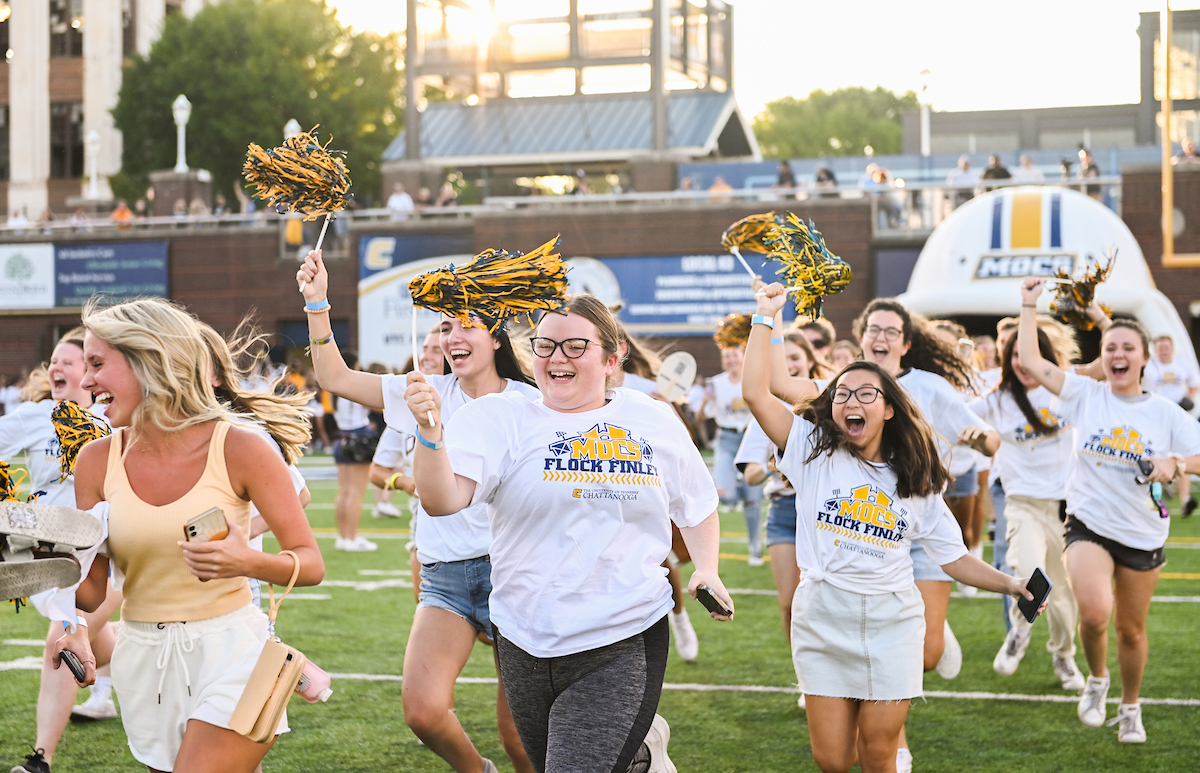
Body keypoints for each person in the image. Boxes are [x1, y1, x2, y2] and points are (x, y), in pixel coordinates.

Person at [403, 291, 733, 773]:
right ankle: (640, 758)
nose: (558, 357)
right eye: (546, 345)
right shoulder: (501, 417)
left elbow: (696, 503)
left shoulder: (652, 418)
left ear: (612, 358)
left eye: (576, 346)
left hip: (623, 633)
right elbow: (441, 500)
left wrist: (707, 569)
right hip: (523, 636)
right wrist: (429, 431)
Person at [743, 282, 1034, 773]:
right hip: (824, 620)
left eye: (865, 393)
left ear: (889, 408)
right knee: (833, 761)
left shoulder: (915, 479)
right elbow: (756, 391)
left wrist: (1011, 584)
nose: (850, 400)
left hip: (893, 624)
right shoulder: (811, 451)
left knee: (879, 753)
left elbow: (953, 556)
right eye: (842, 394)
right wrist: (765, 315)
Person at [297, 248, 536, 773]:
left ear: (497, 338)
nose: (453, 337)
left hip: (514, 574)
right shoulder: (422, 392)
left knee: (520, 739)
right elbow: (334, 377)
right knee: (423, 712)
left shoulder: (529, 403)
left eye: (467, 325)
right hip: (445, 576)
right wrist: (317, 302)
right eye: (446, 327)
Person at [71, 296, 325, 773]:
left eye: (98, 364)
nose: (86, 382)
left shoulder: (241, 446)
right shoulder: (94, 461)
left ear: (150, 360)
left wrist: (247, 562)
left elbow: (310, 563)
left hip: (233, 650)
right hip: (142, 660)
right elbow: (89, 592)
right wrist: (37, 564)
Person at [1017, 277, 1200, 743]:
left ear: (1144, 359)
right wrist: (1028, 304)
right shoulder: (1085, 393)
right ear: (1103, 357)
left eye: (1128, 348)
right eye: (1110, 347)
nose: (1118, 354)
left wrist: (1175, 464)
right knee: (1096, 615)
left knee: (1131, 631)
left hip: (1142, 533)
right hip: (1088, 524)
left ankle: (1130, 707)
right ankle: (1097, 680)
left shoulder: (1165, 412)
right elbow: (1033, 363)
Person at [5, 329, 121, 773]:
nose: (56, 367)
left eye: (68, 361)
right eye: (53, 360)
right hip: (50, 558)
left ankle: (41, 760)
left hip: (108, 559)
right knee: (110, 648)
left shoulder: (115, 417)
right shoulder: (36, 416)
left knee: (64, 634)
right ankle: (136, 671)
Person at [969, 323, 1086, 690]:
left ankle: (1064, 654)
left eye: (1029, 354)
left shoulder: (1065, 389)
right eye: (1015, 355)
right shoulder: (997, 399)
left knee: (1063, 595)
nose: (1022, 362)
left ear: (1044, 357)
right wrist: (972, 435)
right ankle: (1019, 633)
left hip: (1066, 509)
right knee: (1027, 571)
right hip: (1022, 504)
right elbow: (957, 415)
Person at [702, 314, 766, 565]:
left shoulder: (754, 378)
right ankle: (738, 491)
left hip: (750, 439)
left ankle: (755, 548)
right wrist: (704, 403)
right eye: (726, 356)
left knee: (753, 501)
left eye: (734, 355)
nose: (730, 359)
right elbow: (702, 416)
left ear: (742, 355)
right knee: (725, 495)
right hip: (727, 438)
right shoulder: (715, 383)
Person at [1144, 334, 1200, 515]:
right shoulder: (1149, 367)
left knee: (1181, 456)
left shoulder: (1182, 364)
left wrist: (1188, 399)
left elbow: (1194, 384)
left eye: (1166, 347)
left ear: (1172, 349)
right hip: (1156, 416)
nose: (1164, 351)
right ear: (1155, 350)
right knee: (1154, 452)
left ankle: (1185, 499)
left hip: (1179, 416)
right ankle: (1159, 489)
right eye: (1160, 348)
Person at [330, 351, 381, 551]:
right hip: (359, 438)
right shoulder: (352, 385)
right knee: (355, 493)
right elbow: (377, 406)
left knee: (344, 491)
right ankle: (351, 538)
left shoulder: (333, 386)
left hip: (341, 437)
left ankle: (343, 537)